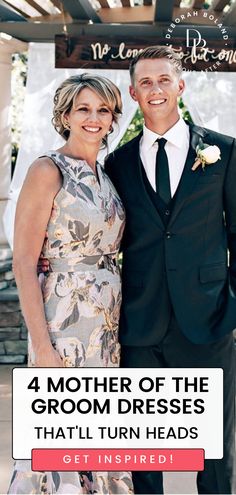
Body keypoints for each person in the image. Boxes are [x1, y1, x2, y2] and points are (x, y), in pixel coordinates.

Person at [104, 46, 236, 494]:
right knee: (143, 451)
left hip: (209, 319)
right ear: (133, 93)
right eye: (146, 82)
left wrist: (232, 306)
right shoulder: (116, 163)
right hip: (140, 322)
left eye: (164, 79)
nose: (155, 89)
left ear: (180, 86)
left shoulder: (223, 152)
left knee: (212, 449)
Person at [8, 74, 133, 494]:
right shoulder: (47, 169)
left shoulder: (107, 172)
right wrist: (42, 346)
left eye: (103, 109)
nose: (94, 118)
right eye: (83, 108)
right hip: (63, 320)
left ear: (113, 117)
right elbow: (24, 263)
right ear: (64, 115)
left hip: (107, 323)